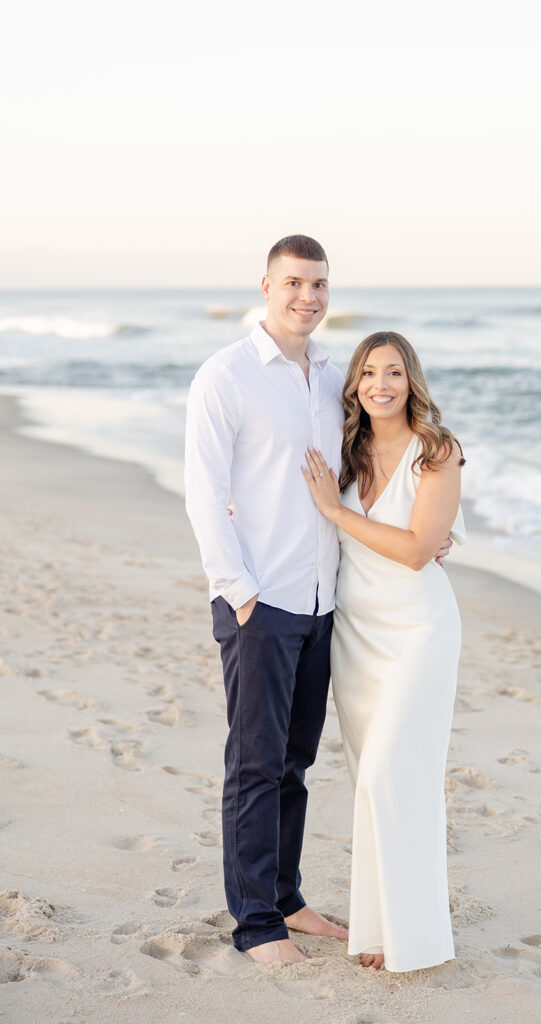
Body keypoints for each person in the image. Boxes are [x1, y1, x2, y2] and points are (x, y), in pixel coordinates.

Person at [184, 235, 349, 964]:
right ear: (265, 286)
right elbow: (203, 489)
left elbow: (367, 476)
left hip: (322, 602)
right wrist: (238, 592)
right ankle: (255, 924)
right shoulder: (227, 376)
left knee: (296, 762)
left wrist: (432, 532)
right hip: (262, 601)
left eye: (317, 284)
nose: (307, 297)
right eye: (293, 283)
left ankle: (285, 896)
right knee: (254, 765)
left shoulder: (334, 377)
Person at [302, 330, 465, 973]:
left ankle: (417, 936)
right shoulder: (347, 448)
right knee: (372, 781)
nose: (380, 384)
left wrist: (335, 514)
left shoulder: (437, 450)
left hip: (418, 632)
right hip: (357, 636)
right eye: (368, 373)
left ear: (411, 381)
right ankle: (377, 929)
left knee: (392, 775)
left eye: (393, 372)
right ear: (355, 384)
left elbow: (419, 548)